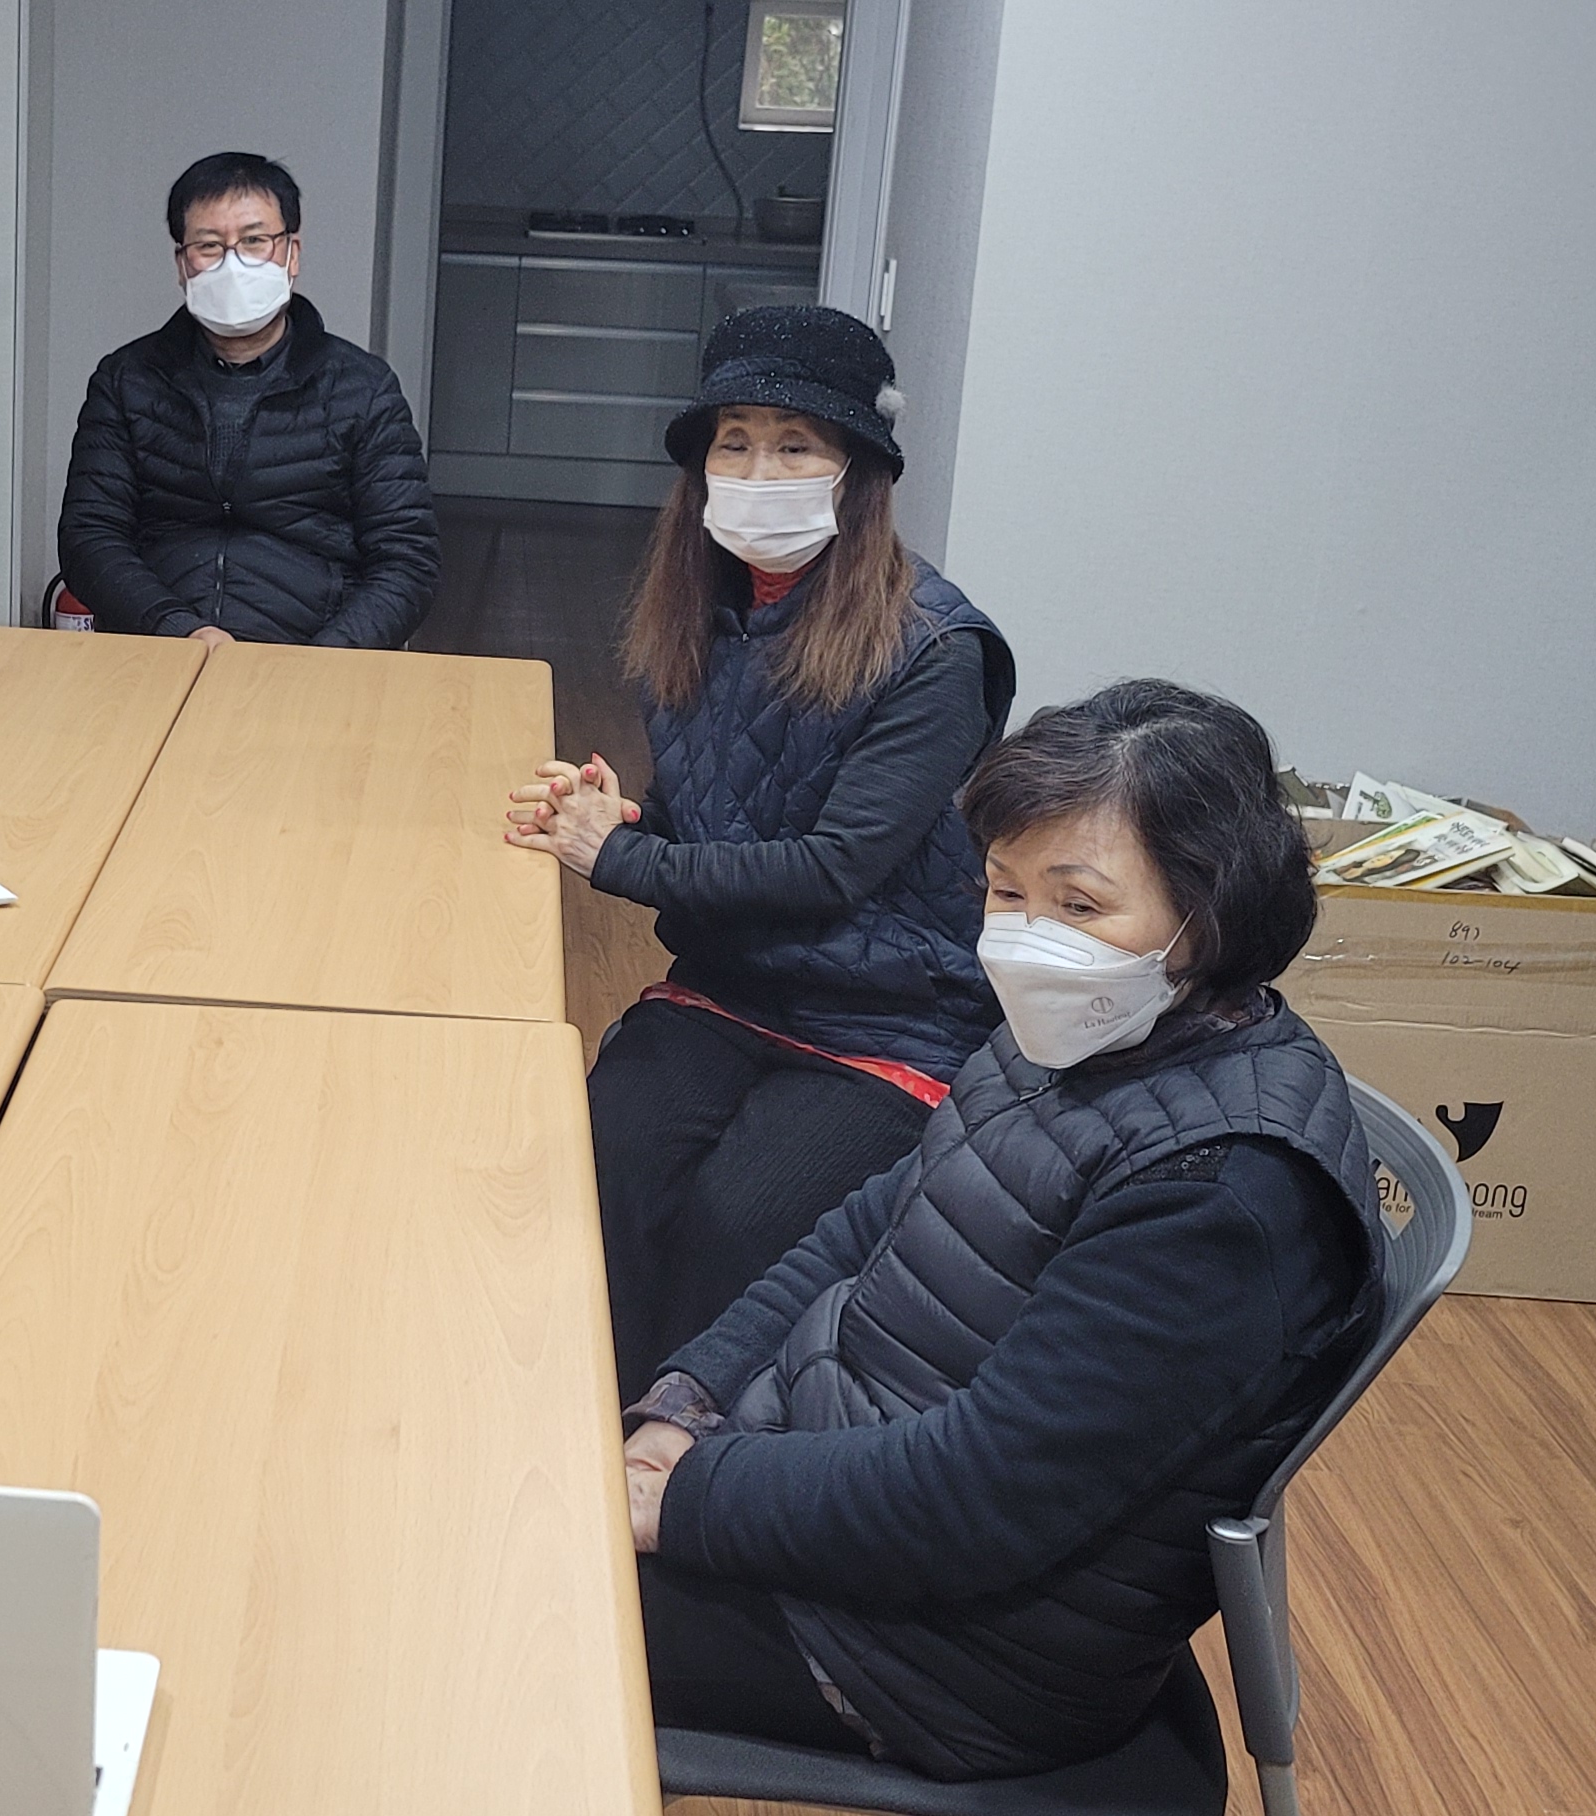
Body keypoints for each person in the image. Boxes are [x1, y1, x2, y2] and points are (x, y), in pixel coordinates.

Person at [617, 679, 1387, 1782]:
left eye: (1080, 907)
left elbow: (977, 1501)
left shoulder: (1221, 1195)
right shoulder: (1079, 1032)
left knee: (479, 1588)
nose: (1027, 942)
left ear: (1209, 918)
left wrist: (689, 1499)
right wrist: (688, 1403)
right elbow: (865, 1228)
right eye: (1005, 891)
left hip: (928, 1653)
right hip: (828, 1494)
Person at [505, 304, 1015, 1388]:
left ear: (858, 472)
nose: (755, 470)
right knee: (597, 1162)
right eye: (732, 442)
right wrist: (630, 822)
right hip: (731, 984)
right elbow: (716, 819)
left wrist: (619, 860)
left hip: (891, 1014)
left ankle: (684, 1439)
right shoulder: (692, 613)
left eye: (794, 445)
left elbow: (835, 868)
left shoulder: (938, 648)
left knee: (737, 1219)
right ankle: (583, 1411)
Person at [58, 151, 439, 648]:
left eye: (254, 241)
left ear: (292, 254)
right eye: (209, 246)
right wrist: (177, 628)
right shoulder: (127, 380)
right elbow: (90, 537)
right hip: (160, 647)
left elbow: (407, 560)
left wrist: (327, 657)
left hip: (314, 655)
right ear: (182, 264)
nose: (233, 264)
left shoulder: (362, 388)